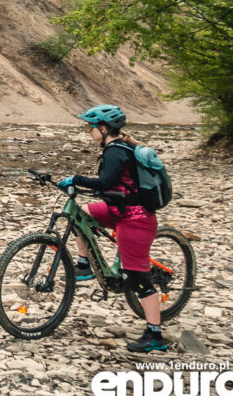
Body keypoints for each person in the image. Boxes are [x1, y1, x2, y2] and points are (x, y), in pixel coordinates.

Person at [58, 104, 166, 353]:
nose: (89, 131)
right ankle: (84, 266)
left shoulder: (115, 152)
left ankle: (155, 335)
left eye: (91, 127)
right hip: (119, 210)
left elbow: (105, 182)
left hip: (135, 218)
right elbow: (111, 186)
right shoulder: (117, 148)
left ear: (104, 128)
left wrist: (76, 179)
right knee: (78, 213)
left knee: (136, 278)